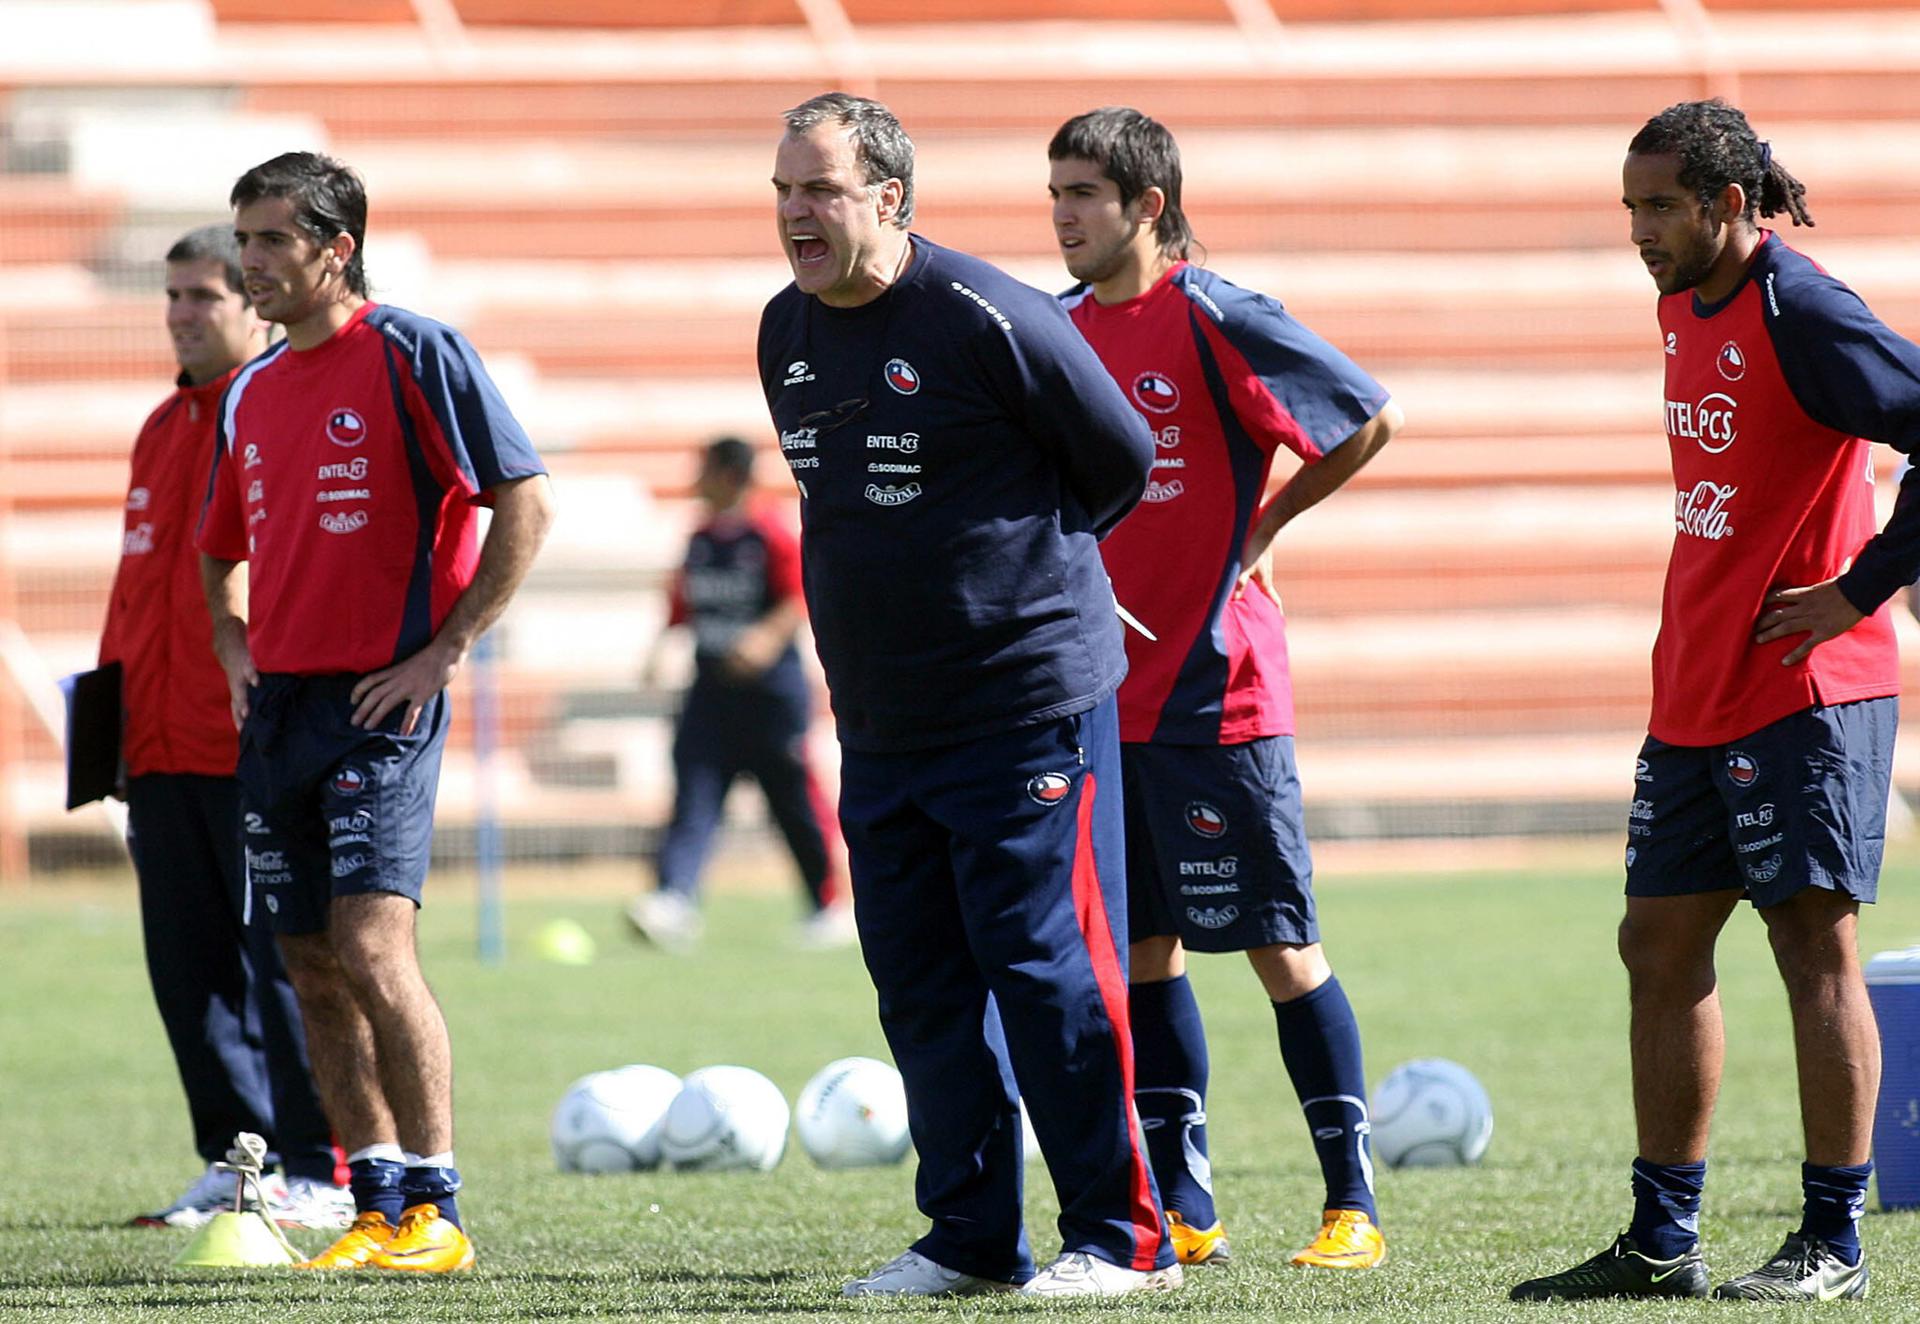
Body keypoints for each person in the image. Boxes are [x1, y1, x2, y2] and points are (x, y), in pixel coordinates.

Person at [759, 92, 1178, 1298]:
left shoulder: (986, 312)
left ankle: (1121, 1239)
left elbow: (1121, 457)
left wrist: (1034, 587)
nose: (796, 212)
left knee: (1052, 974)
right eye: (785, 191)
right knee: (921, 983)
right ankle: (970, 1237)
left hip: (1025, 704)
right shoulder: (782, 330)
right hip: (881, 720)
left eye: (820, 190)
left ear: (888, 198)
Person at [1511, 99, 1920, 1303]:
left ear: (1729, 205)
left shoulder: (1806, 309)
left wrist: (1860, 589)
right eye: (1630, 207)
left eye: (1658, 207)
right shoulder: (1682, 299)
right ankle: (1659, 1240)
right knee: (1658, 942)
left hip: (1806, 686)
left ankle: (1834, 1242)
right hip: (1695, 680)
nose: (1639, 230)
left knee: (1812, 945)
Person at [1047, 107, 1401, 1272]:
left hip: (1216, 692)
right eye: (1056, 193)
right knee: (1145, 953)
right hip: (1102, 696)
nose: (1064, 216)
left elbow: (1367, 418)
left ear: (1148, 206)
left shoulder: (1217, 314)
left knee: (1278, 947)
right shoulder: (1051, 332)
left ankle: (1353, 1204)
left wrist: (1265, 526)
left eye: (1086, 194)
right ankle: (1186, 1198)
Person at [197, 152, 554, 1274]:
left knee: (369, 942)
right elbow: (219, 557)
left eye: (268, 241)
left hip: (381, 698)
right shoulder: (252, 388)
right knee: (306, 959)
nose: (248, 262)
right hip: (283, 710)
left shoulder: (413, 350)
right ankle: (376, 1200)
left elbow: (525, 504)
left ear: (335, 248)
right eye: (240, 240)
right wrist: (234, 647)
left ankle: (439, 1210)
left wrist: (445, 651)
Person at [100, 223, 349, 1232]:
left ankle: (318, 1165)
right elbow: (136, 596)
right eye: (171, 296)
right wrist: (113, 730)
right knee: (187, 975)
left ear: (253, 303)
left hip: (244, 742)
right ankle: (233, 1159)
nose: (182, 314)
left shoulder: (269, 412)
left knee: (285, 968)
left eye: (203, 294)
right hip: (155, 748)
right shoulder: (162, 427)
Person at [625, 436, 852, 951]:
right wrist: (661, 648)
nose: (695, 481)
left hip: (771, 693)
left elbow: (799, 596)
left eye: (703, 469)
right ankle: (672, 900)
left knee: (792, 798)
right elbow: (683, 601)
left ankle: (828, 905)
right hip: (710, 687)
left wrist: (764, 639)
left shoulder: (770, 532)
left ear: (730, 474)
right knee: (695, 791)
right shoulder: (701, 536)